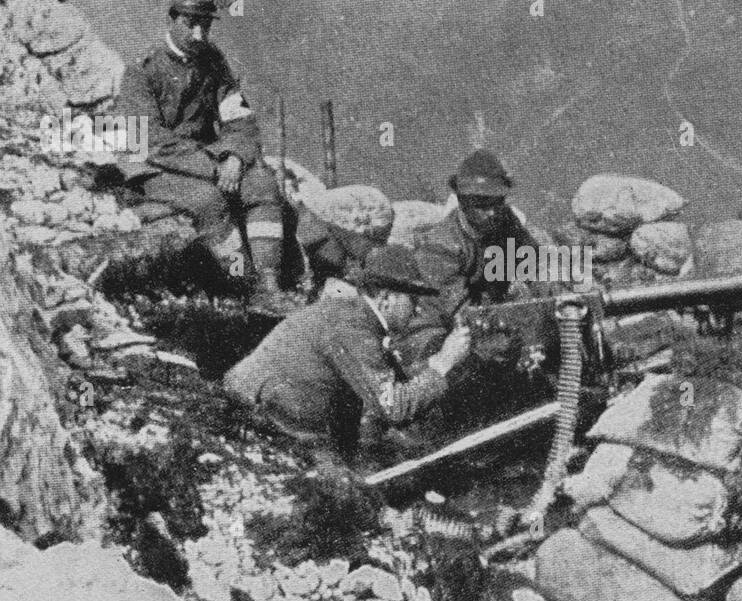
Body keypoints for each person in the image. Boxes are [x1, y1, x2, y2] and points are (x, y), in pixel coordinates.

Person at [113, 0, 290, 315]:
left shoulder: (213, 62)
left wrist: (235, 156)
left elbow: (239, 119)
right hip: (153, 167)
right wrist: (214, 167)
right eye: (190, 24)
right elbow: (147, 140)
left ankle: (269, 285)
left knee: (262, 184)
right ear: (173, 18)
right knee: (210, 201)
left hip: (204, 159)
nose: (199, 34)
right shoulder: (142, 70)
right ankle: (241, 283)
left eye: (205, 25)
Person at [222, 244, 472, 454]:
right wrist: (442, 363)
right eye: (412, 300)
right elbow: (393, 406)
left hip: (263, 401)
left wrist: (434, 365)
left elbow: (390, 383)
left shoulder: (354, 315)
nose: (417, 309)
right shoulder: (353, 327)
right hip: (260, 414)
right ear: (386, 298)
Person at [402, 148, 553, 364]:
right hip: (440, 332)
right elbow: (461, 312)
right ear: (463, 202)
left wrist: (558, 300)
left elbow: (535, 266)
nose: (492, 212)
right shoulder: (440, 246)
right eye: (481, 206)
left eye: (497, 203)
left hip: (488, 320)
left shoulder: (506, 221)